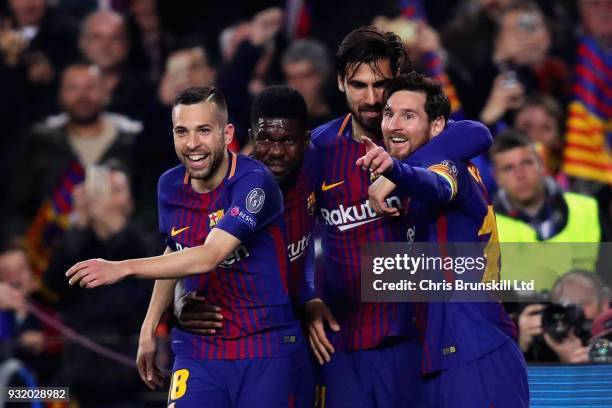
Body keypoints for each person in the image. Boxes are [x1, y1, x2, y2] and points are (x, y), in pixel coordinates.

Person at [66, 86, 303, 407]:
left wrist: (123, 267)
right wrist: (149, 328)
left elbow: (210, 255)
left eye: (204, 130)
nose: (192, 144)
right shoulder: (168, 186)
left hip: (265, 347)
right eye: (182, 132)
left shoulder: (255, 181)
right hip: (199, 350)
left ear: (226, 133)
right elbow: (175, 249)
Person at [308, 26, 493, 407]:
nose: (373, 99)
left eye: (382, 85)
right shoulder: (319, 149)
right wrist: (306, 296)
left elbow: (478, 132)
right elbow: (291, 233)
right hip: (341, 341)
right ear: (341, 83)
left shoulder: (422, 138)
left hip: (413, 338)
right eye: (359, 85)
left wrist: (398, 171)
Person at [358, 71, 528, 408]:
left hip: (476, 350)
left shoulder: (450, 168)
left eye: (409, 116)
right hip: (437, 356)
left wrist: (393, 170)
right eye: (389, 114)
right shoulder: (410, 181)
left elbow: (438, 186)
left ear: (437, 127)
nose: (393, 125)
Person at [176, 84, 319, 408]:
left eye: (288, 141)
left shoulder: (318, 167)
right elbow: (178, 246)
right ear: (251, 135)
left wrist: (313, 296)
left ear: (305, 140)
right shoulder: (225, 184)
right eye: (266, 139)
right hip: (224, 344)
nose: (276, 152)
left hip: (291, 339)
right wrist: (179, 301)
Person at [491, 130, 603, 290]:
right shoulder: (485, 227)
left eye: (527, 163)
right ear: (497, 178)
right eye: (508, 168)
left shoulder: (586, 209)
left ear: (542, 165)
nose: (520, 175)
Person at [518, 270, 611, 363]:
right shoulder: (546, 339)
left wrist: (584, 365)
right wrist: (523, 346)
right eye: (561, 307)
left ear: (604, 304)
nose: (569, 313)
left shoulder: (606, 343)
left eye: (579, 305)